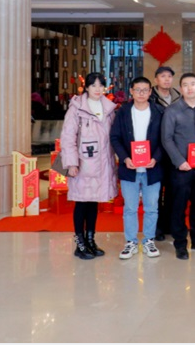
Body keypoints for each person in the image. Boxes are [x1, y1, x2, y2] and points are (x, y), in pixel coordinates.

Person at [60, 72, 117, 260]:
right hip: (83, 164)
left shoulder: (109, 108)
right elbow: (68, 137)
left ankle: (90, 239)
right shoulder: (76, 108)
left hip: (102, 164)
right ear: (86, 87)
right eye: (94, 85)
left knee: (93, 203)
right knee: (81, 202)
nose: (98, 89)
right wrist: (71, 163)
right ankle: (80, 243)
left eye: (101, 85)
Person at [161, 73, 195, 260]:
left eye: (193, 84)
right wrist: (179, 161)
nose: (190, 88)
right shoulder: (172, 110)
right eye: (185, 85)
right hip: (181, 168)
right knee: (178, 206)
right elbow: (166, 139)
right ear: (180, 89)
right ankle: (180, 243)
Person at [110, 77, 164, 259]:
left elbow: (165, 139)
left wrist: (156, 158)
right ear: (131, 91)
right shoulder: (123, 112)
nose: (141, 93)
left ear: (150, 92)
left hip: (152, 169)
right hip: (130, 169)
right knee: (130, 208)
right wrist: (125, 158)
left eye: (145, 90)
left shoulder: (158, 111)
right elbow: (115, 137)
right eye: (137, 90)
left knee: (152, 207)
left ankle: (149, 240)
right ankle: (131, 242)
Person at [149, 66, 180, 242]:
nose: (167, 79)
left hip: (174, 151)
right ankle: (157, 227)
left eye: (169, 76)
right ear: (156, 80)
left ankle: (169, 224)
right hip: (156, 151)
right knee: (156, 192)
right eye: (163, 76)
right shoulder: (150, 98)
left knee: (172, 191)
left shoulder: (179, 97)